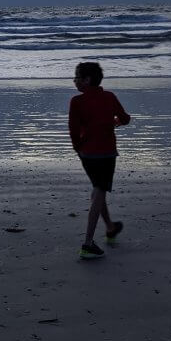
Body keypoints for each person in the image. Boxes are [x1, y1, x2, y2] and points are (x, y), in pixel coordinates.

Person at [68, 61, 130, 260]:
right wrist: (115, 122)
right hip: (106, 153)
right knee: (99, 191)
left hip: (86, 154)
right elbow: (125, 118)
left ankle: (110, 228)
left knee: (98, 189)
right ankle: (87, 243)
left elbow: (73, 131)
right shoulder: (109, 97)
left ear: (86, 80)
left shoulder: (76, 102)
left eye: (77, 77)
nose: (74, 80)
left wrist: (78, 149)